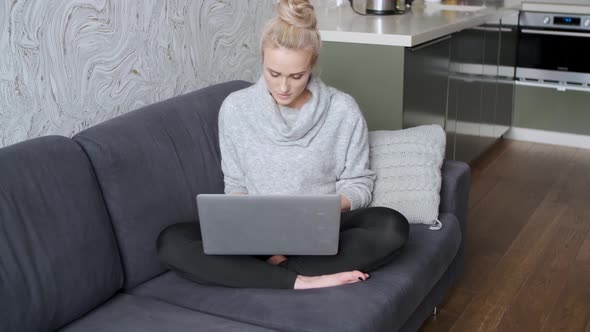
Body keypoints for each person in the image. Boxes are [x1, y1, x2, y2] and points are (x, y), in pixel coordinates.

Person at [157, 0, 409, 290]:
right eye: (273, 74)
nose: (283, 87)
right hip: (255, 235)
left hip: (319, 234)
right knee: (172, 241)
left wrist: (319, 210)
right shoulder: (235, 109)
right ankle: (301, 280)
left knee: (391, 225)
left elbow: (359, 185)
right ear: (262, 60)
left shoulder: (343, 110)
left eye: (296, 76)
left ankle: (259, 274)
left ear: (312, 63)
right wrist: (241, 225)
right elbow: (236, 183)